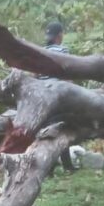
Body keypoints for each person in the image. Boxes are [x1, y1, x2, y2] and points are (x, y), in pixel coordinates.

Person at [42, 22, 76, 172]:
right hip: (58, 95)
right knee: (62, 129)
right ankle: (67, 165)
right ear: (59, 35)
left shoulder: (41, 51)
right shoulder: (63, 50)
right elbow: (66, 75)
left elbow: (35, 74)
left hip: (42, 95)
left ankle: (49, 167)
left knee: (48, 131)